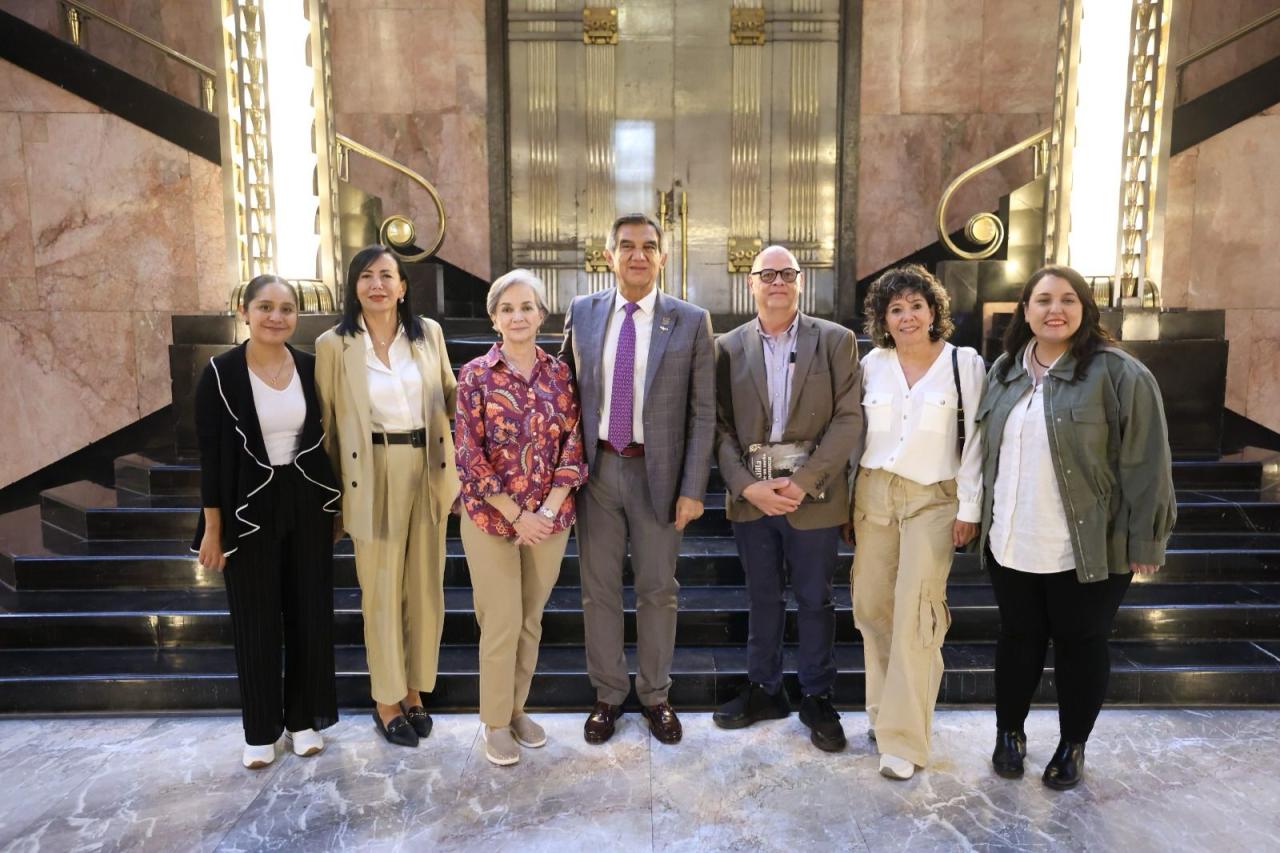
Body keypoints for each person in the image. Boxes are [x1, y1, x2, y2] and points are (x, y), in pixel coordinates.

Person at [976, 264, 1175, 790]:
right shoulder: (1005, 371)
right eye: (1043, 300)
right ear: (1025, 310)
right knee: (1017, 638)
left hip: (1089, 543)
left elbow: (1148, 463)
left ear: (1085, 309)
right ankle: (1009, 733)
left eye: (1068, 299)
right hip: (1012, 536)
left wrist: (1146, 538)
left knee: (1080, 643)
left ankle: (1072, 745)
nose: (1055, 310)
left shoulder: (1119, 374)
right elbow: (986, 451)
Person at [560, 213, 716, 745]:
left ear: (662, 257)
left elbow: (703, 413)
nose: (638, 255)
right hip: (598, 471)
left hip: (659, 476)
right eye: (626, 246)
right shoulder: (582, 312)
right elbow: (565, 392)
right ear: (609, 256)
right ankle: (608, 694)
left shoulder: (691, 320)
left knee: (657, 590)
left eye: (649, 246)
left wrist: (693, 489)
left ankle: (655, 696)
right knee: (598, 590)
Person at [710, 245, 863, 753]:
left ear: (800, 282)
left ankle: (817, 695)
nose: (778, 281)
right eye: (768, 274)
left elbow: (848, 419)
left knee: (816, 598)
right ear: (751, 283)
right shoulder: (726, 347)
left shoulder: (835, 340)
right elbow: (718, 425)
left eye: (787, 273)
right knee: (762, 596)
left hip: (812, 497)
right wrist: (746, 485)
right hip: (753, 496)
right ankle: (764, 689)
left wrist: (804, 482)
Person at [193, 274, 342, 769]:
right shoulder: (220, 373)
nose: (276, 317)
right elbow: (210, 458)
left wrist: (334, 508)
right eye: (265, 307)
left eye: (286, 308)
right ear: (244, 312)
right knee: (255, 619)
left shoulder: (310, 367)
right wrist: (213, 530)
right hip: (246, 505)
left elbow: (324, 439)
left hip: (305, 499)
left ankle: (302, 721)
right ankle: (260, 730)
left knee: (309, 613)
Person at [315, 245, 460, 748]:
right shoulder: (334, 345)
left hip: (428, 467)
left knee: (425, 588)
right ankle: (386, 699)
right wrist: (333, 502)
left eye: (386, 276)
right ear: (353, 286)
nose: (376, 284)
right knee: (380, 591)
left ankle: (415, 691)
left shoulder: (428, 335)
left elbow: (451, 396)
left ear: (402, 287)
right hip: (370, 472)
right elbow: (327, 428)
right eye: (366, 276)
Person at [848, 264, 985, 780]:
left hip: (932, 498)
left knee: (917, 612)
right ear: (883, 319)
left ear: (934, 311)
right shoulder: (872, 364)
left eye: (916, 306)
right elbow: (855, 436)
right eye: (896, 309)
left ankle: (905, 740)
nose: (907, 317)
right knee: (871, 607)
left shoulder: (962, 364)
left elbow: (977, 440)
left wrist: (969, 507)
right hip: (874, 494)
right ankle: (884, 715)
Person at [454, 269, 588, 766]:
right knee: (502, 621)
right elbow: (468, 454)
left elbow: (573, 445)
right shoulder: (475, 375)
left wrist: (546, 510)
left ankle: (515, 709)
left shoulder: (560, 375)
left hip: (549, 520)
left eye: (526, 307)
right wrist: (516, 515)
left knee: (530, 620)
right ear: (494, 318)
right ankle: (494, 721)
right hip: (491, 519)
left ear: (541, 315)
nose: (517, 316)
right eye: (507, 308)